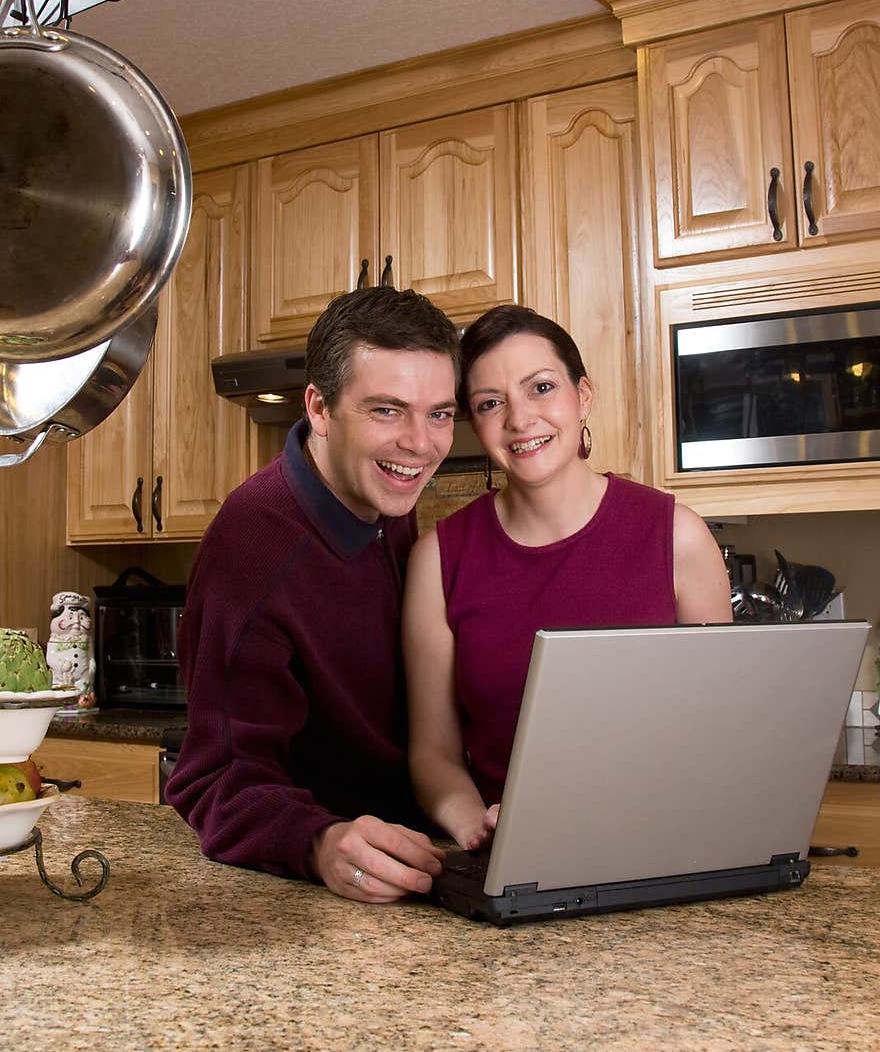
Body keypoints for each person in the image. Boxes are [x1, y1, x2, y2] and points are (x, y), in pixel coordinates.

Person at [166, 285, 461, 903]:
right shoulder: (252, 549)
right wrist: (321, 840)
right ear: (320, 409)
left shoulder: (383, 496)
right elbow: (212, 780)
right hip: (323, 894)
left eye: (439, 413)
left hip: (417, 859)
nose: (421, 443)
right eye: (387, 410)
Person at [403, 304, 733, 852]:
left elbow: (720, 732)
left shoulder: (678, 537)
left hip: (663, 846)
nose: (520, 419)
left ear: (582, 396)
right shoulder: (437, 559)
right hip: (513, 859)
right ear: (475, 423)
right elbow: (432, 754)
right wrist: (472, 822)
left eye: (541, 388)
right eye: (490, 403)